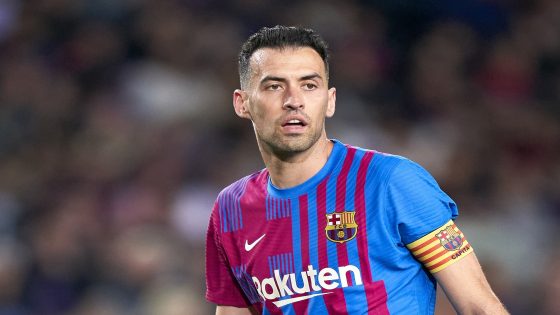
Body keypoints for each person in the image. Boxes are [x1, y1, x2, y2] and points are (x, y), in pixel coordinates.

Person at [205, 25, 508, 315]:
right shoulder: (231, 209)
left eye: (309, 85)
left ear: (330, 101)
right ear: (242, 103)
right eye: (274, 86)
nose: (294, 101)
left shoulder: (391, 182)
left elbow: (479, 307)